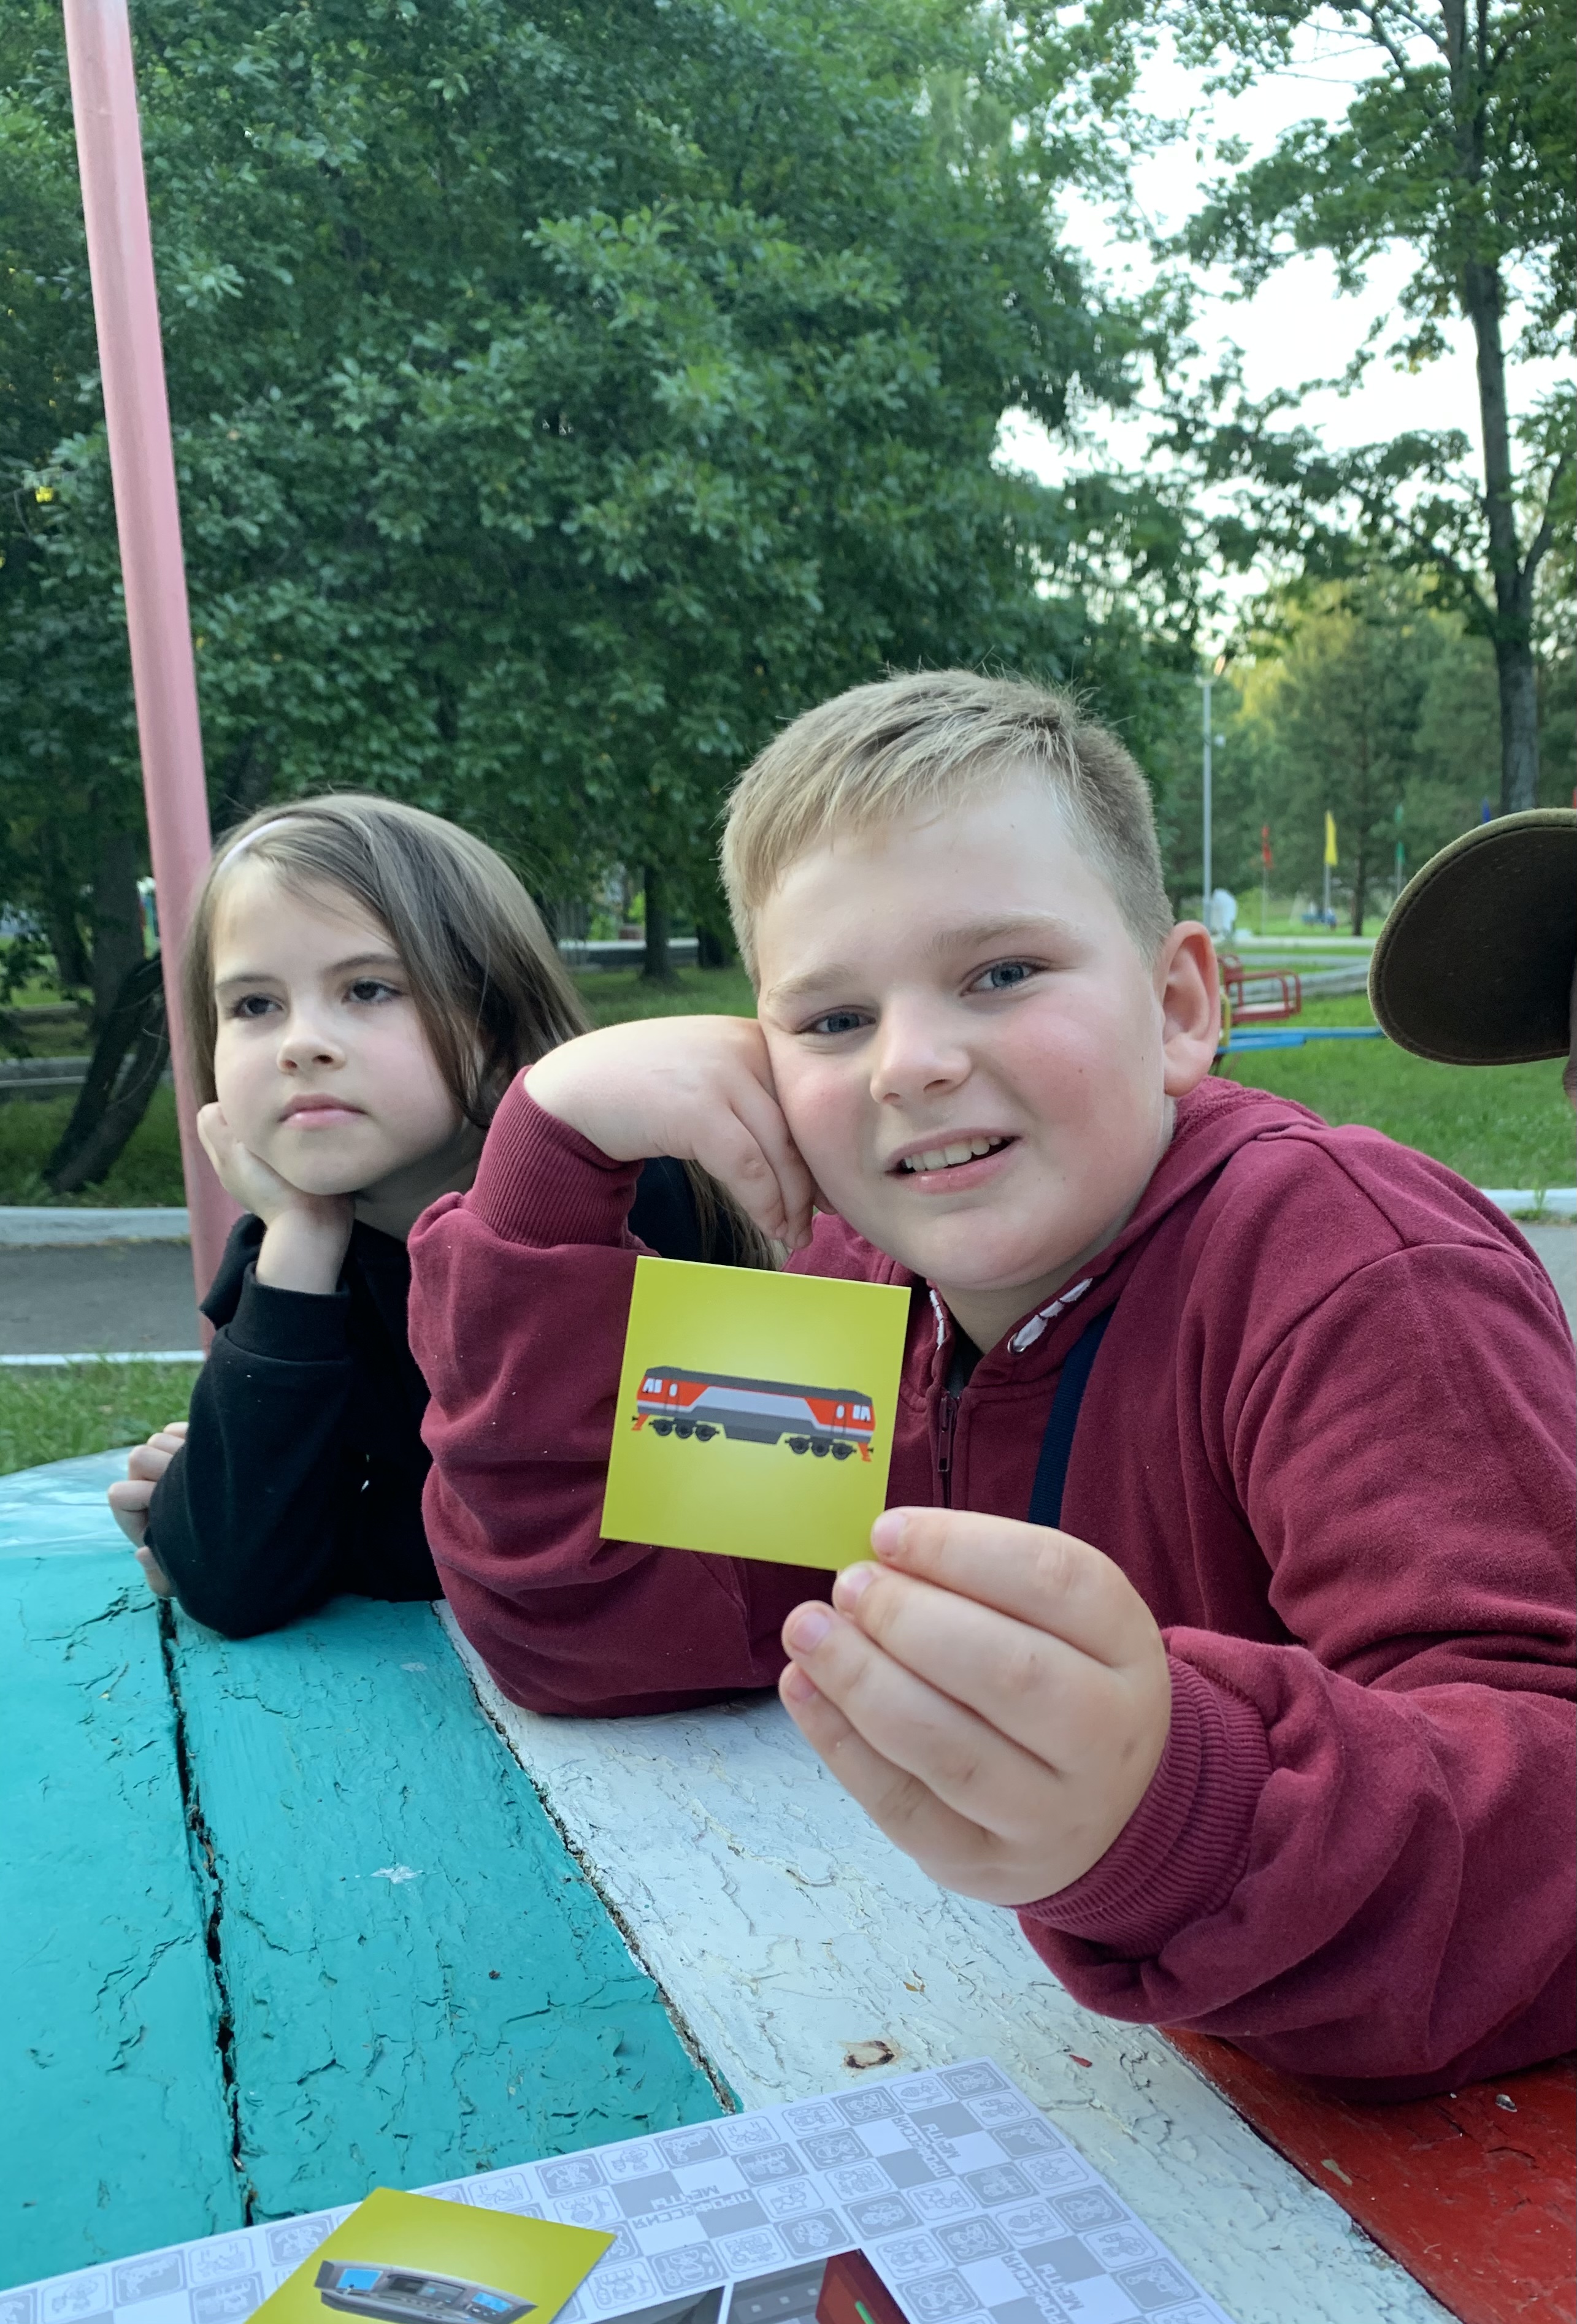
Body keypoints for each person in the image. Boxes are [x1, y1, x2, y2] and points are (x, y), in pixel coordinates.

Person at [407, 671, 1574, 2098]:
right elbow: (596, 1618)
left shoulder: (1351, 1263)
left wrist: (1169, 1808)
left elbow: (1544, 1805)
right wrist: (541, 1164)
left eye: (1001, 972)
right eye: (831, 1018)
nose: (912, 1061)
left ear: (1177, 1005)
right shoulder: (854, 1285)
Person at [108, 795, 766, 1637]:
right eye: (254, 1005)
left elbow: (740, 1526)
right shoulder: (289, 1251)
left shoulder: (642, 1197)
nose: (300, 1044)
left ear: (498, 1028)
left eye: (367, 989)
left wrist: (332, 1536)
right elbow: (232, 1580)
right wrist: (303, 1239)